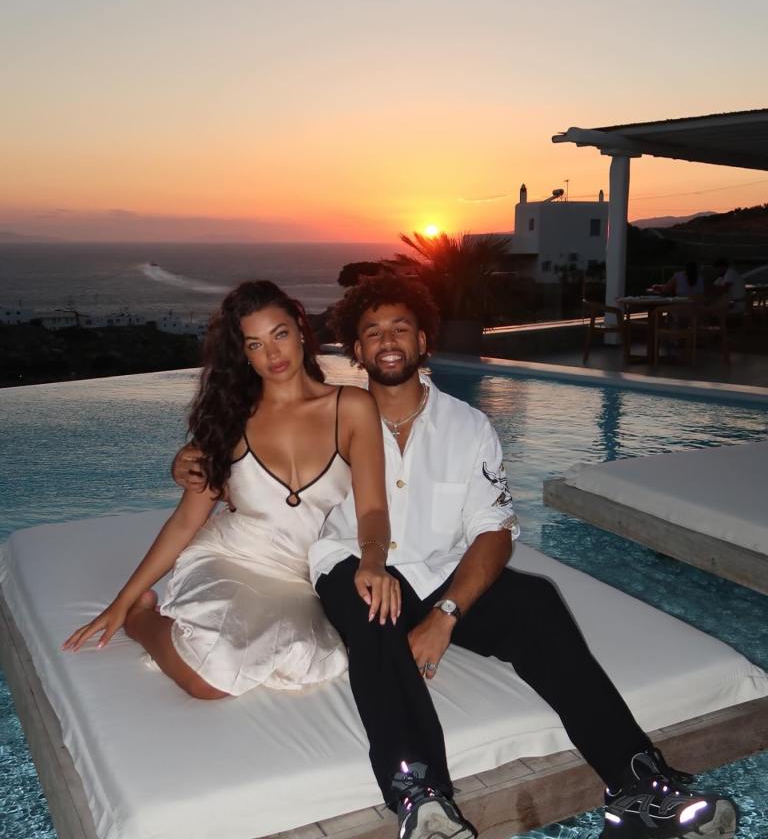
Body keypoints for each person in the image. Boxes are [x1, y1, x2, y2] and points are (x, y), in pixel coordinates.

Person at [173, 275, 738, 839]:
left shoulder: (469, 429)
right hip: (354, 567)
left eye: (400, 328)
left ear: (423, 341)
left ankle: (637, 787)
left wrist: (447, 615)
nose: (387, 340)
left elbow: (493, 531)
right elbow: (261, 468)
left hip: (439, 575)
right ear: (356, 349)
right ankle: (420, 797)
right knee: (374, 607)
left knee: (535, 601)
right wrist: (195, 464)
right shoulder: (335, 414)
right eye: (372, 332)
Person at [64, 280, 398, 699]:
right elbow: (187, 521)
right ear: (242, 353)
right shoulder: (230, 419)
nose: (273, 354)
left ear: (298, 328)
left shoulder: (352, 407)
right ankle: (139, 620)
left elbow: (373, 509)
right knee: (208, 681)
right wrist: (120, 600)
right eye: (254, 344)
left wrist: (373, 560)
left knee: (306, 658)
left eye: (279, 335)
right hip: (230, 558)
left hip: (300, 577)